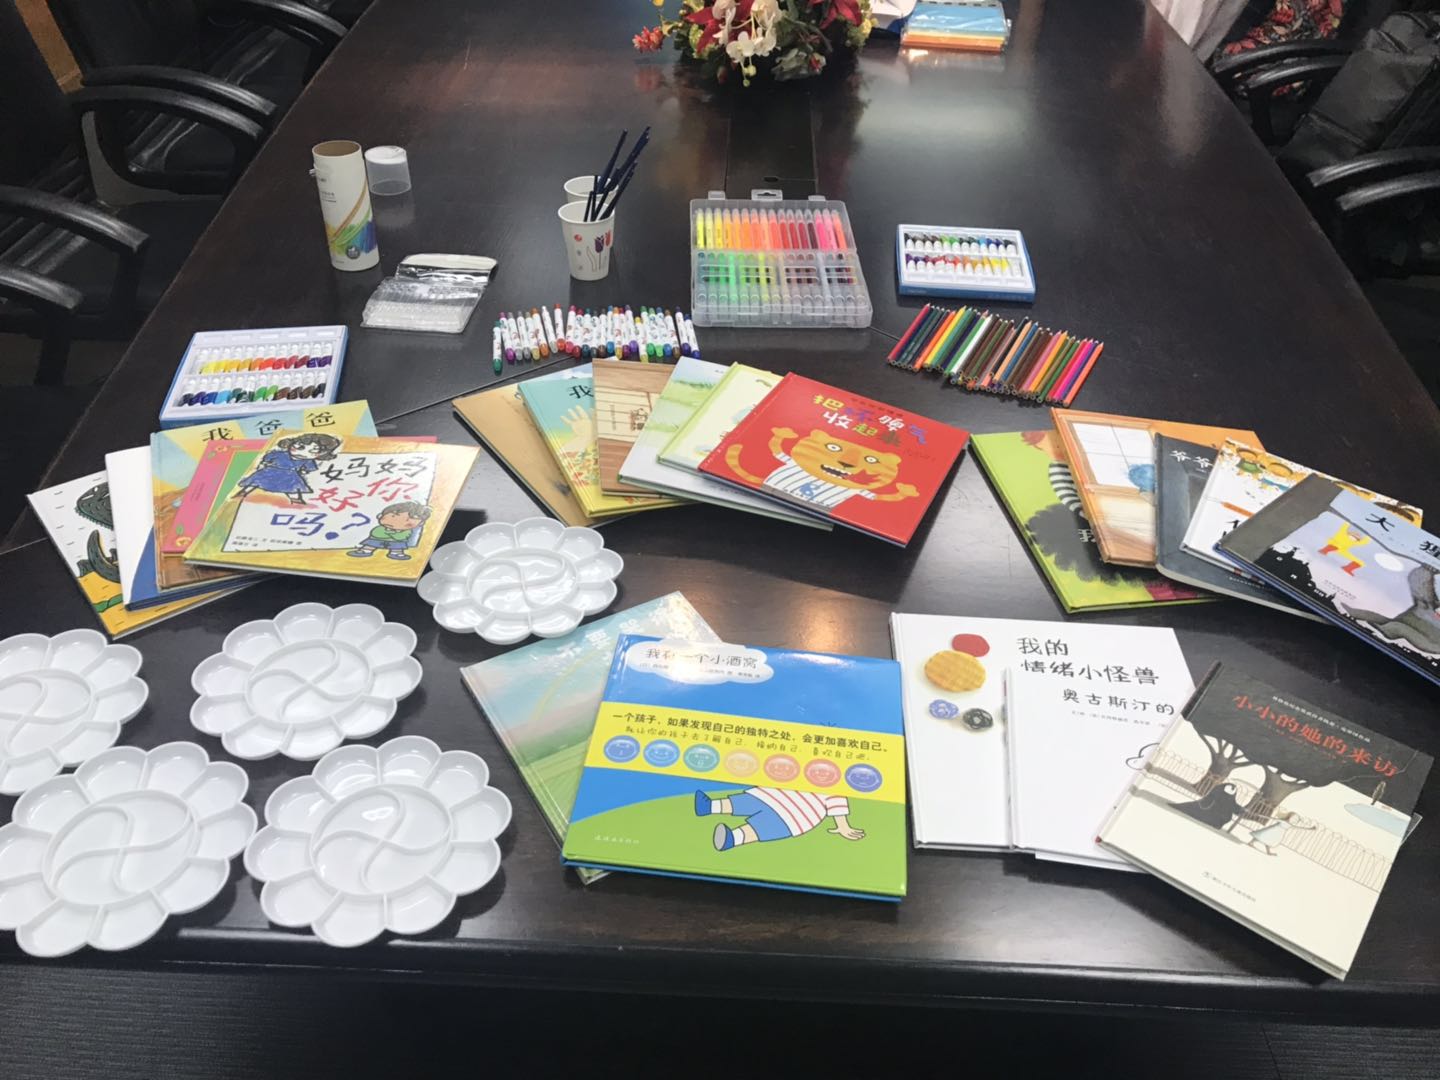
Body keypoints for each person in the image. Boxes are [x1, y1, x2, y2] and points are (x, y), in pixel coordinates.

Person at [695, 787, 865, 851]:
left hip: (796, 814)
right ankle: (710, 806)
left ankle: (733, 838)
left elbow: (837, 803)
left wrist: (843, 826)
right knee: (747, 802)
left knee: (761, 827)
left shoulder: (835, 785)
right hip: (775, 794)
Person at [233, 433, 341, 505]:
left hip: (290, 476)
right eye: (297, 443)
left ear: (317, 455)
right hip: (269, 472)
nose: (295, 447)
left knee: (293, 489)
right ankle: (241, 494)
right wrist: (263, 464)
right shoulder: (279, 454)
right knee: (254, 482)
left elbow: (309, 469)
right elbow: (267, 459)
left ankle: (297, 502)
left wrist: (303, 472)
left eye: (302, 447)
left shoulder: (307, 461)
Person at [347, 501, 431, 560]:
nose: (396, 523)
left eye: (408, 523)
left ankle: (396, 553)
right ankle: (365, 551)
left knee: (398, 546)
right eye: (392, 517)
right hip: (377, 540)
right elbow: (375, 533)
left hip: (396, 542)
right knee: (371, 543)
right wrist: (389, 533)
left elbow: (402, 537)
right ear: (380, 516)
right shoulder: (381, 528)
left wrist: (392, 534)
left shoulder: (407, 531)